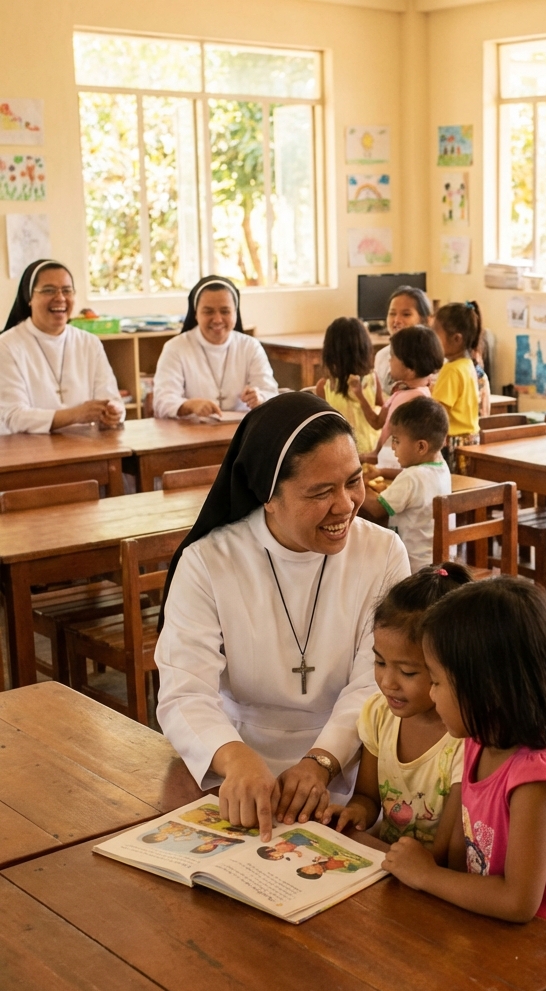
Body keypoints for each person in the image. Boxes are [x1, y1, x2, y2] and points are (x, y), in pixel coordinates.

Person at [155, 391, 410, 842]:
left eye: (353, 481)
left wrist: (322, 760)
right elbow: (184, 690)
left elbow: (374, 681)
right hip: (230, 765)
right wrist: (234, 757)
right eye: (320, 492)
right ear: (267, 497)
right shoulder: (209, 561)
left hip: (351, 767)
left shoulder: (383, 551)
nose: (346, 505)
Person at [383, 577, 546, 991]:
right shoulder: (478, 741)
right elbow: (454, 852)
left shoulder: (536, 779)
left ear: (487, 692)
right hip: (500, 940)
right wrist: (420, 870)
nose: (430, 696)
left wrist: (425, 877)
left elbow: (517, 902)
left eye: (436, 682)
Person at [324, 564, 471, 851]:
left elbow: (445, 855)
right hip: (389, 864)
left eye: (407, 671)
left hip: (432, 881)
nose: (388, 682)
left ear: (450, 668)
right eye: (379, 663)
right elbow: (367, 797)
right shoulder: (380, 715)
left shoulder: (464, 740)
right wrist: (355, 814)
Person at [0, 259, 125, 434]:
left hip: (85, 446)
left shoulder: (89, 343)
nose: (60, 298)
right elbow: (14, 416)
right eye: (49, 290)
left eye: (67, 290)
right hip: (27, 452)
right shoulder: (7, 346)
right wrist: (76, 414)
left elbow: (112, 399)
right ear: (29, 298)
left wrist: (114, 411)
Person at [152, 276, 278, 419]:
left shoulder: (250, 347)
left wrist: (259, 397)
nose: (217, 319)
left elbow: (271, 392)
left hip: (243, 432)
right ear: (196, 314)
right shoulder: (175, 348)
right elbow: (161, 401)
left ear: (235, 313)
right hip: (191, 433)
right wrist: (189, 405)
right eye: (208, 312)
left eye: (225, 311)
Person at [362, 397, 452, 571]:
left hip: (411, 566)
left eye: (396, 440)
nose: (393, 447)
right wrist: (381, 472)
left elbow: (376, 509)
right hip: (438, 562)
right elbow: (412, 476)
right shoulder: (441, 466)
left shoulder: (411, 479)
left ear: (420, 447)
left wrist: (355, 485)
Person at [361, 325, 444, 473]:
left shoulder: (416, 401)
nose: (389, 361)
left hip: (397, 471)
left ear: (410, 369)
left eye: (393, 357)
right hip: (388, 464)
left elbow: (412, 461)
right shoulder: (403, 392)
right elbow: (380, 423)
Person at [314, 317, 382, 455]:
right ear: (364, 349)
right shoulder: (325, 386)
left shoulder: (371, 380)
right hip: (349, 456)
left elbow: (381, 414)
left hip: (366, 456)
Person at [431, 302, 482, 471]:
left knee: (451, 488)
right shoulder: (467, 365)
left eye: (435, 333)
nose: (432, 338)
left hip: (453, 442)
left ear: (457, 339)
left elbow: (439, 413)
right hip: (470, 439)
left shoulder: (451, 370)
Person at [374, 286, 433, 398]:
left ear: (425, 320)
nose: (396, 320)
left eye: (406, 314)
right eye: (392, 313)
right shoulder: (381, 356)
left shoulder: (432, 361)